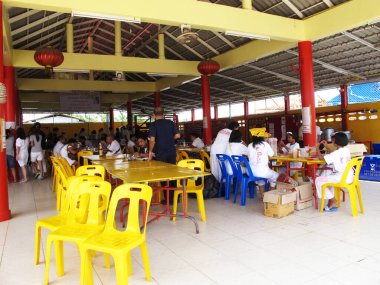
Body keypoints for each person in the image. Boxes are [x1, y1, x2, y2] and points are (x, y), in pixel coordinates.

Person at [315, 132, 352, 212]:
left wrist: (317, 148)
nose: (332, 141)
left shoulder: (336, 153)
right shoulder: (346, 150)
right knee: (328, 176)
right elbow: (334, 153)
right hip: (350, 176)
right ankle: (330, 203)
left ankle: (333, 200)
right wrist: (326, 146)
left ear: (336, 141)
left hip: (342, 177)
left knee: (318, 180)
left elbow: (322, 158)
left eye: (333, 140)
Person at [248, 128, 279, 198]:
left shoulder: (250, 145)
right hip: (262, 171)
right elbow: (271, 154)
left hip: (252, 172)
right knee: (275, 176)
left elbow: (249, 156)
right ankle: (270, 194)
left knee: (261, 178)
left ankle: (263, 196)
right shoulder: (265, 144)